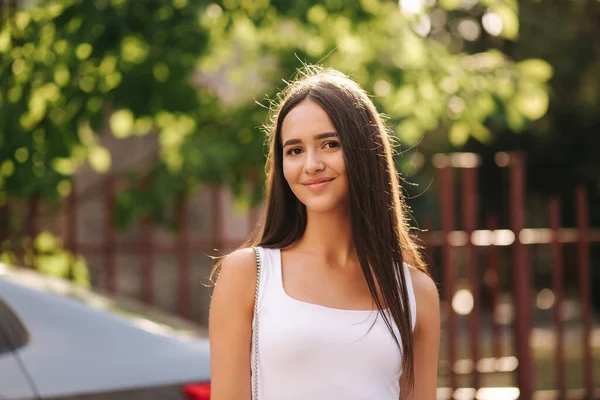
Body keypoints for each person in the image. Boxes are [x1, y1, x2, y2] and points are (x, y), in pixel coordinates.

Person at [208, 66, 440, 400]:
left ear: (364, 152)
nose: (311, 164)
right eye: (295, 150)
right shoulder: (249, 275)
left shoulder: (415, 293)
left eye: (329, 144)